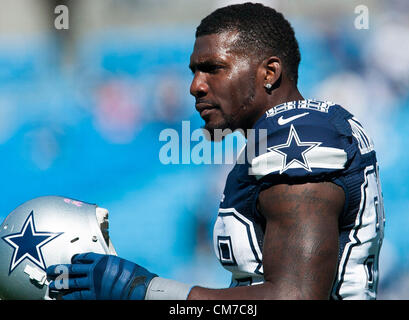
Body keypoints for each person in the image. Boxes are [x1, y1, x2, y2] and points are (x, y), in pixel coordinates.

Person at [47, 2, 385, 300]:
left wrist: (143, 290)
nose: (196, 86)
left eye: (213, 69)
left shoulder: (299, 135)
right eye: (194, 71)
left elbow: (295, 296)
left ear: (269, 73)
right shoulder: (276, 137)